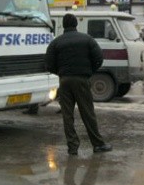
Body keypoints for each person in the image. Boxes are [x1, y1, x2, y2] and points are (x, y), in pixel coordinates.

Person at [45, 13, 112, 156]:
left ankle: (72, 147)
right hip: (82, 80)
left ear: (63, 25)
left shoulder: (56, 42)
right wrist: (89, 72)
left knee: (67, 115)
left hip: (64, 81)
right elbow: (99, 58)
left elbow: (48, 64)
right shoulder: (87, 39)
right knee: (87, 113)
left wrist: (61, 73)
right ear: (76, 24)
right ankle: (98, 144)